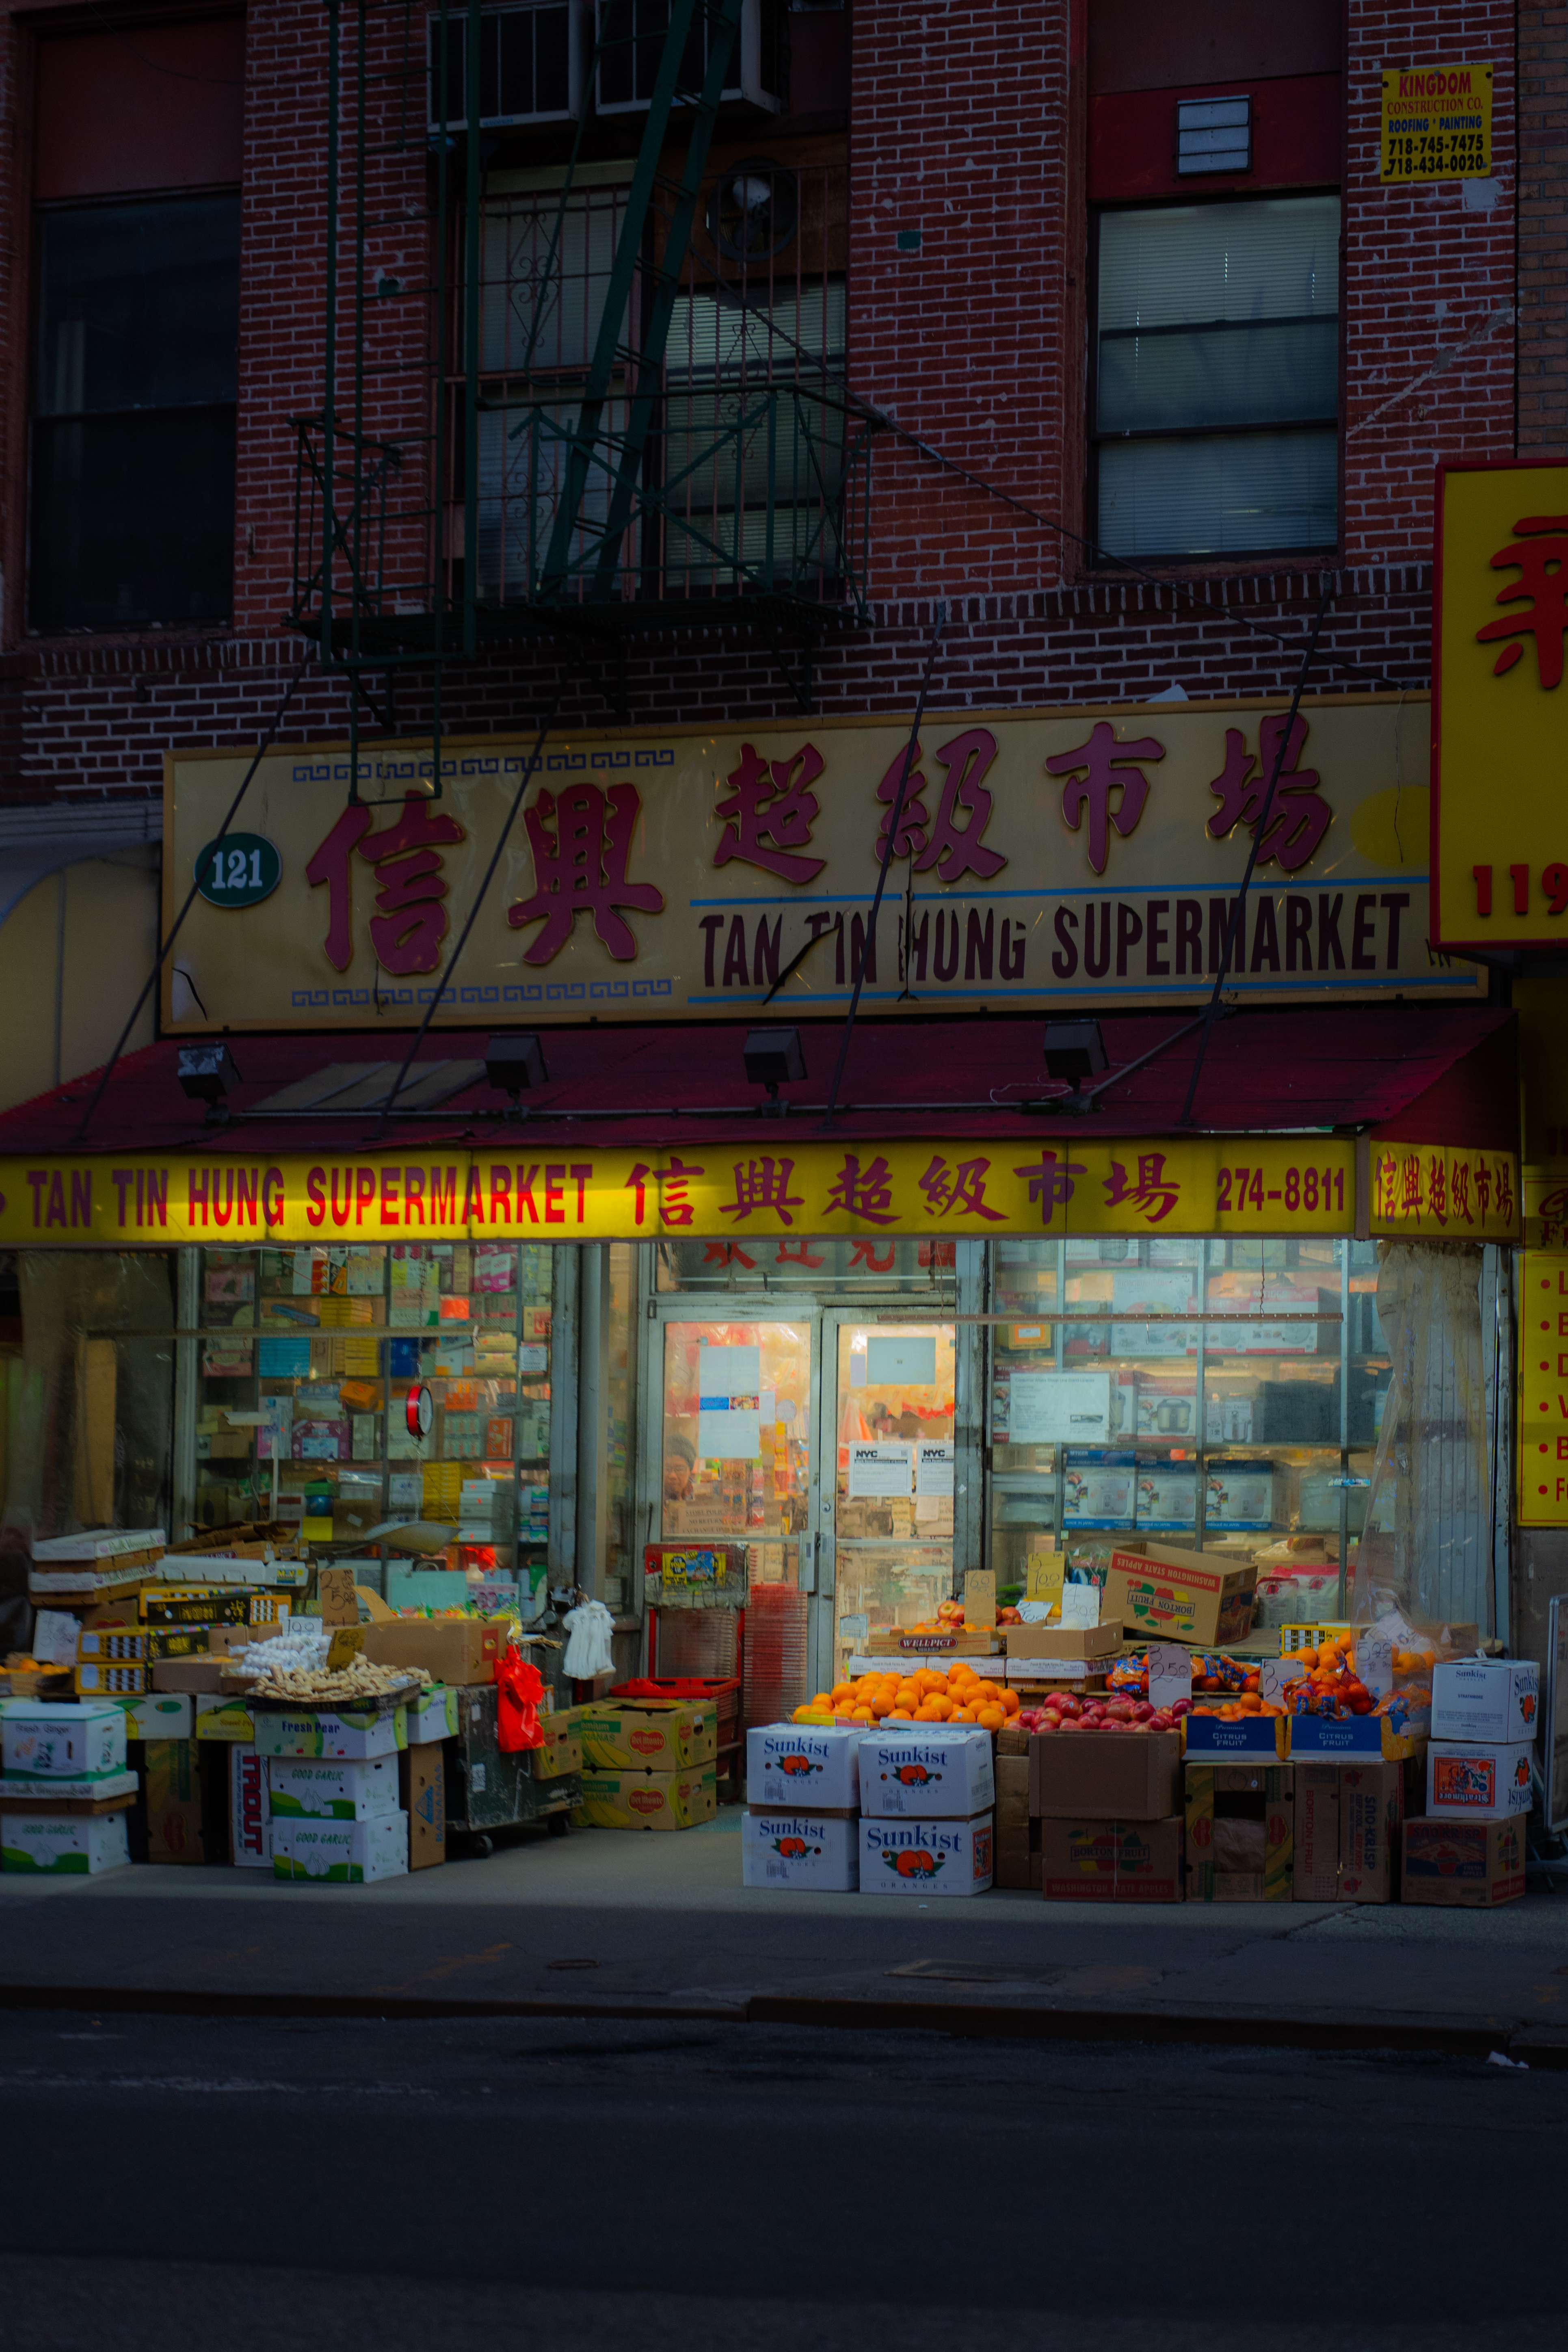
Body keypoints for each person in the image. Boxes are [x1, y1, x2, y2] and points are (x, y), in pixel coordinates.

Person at [663, 1431, 697, 1502]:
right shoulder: (654, 1499)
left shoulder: (696, 1496)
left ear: (689, 1472)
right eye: (667, 1469)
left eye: (679, 1469)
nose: (673, 1476)